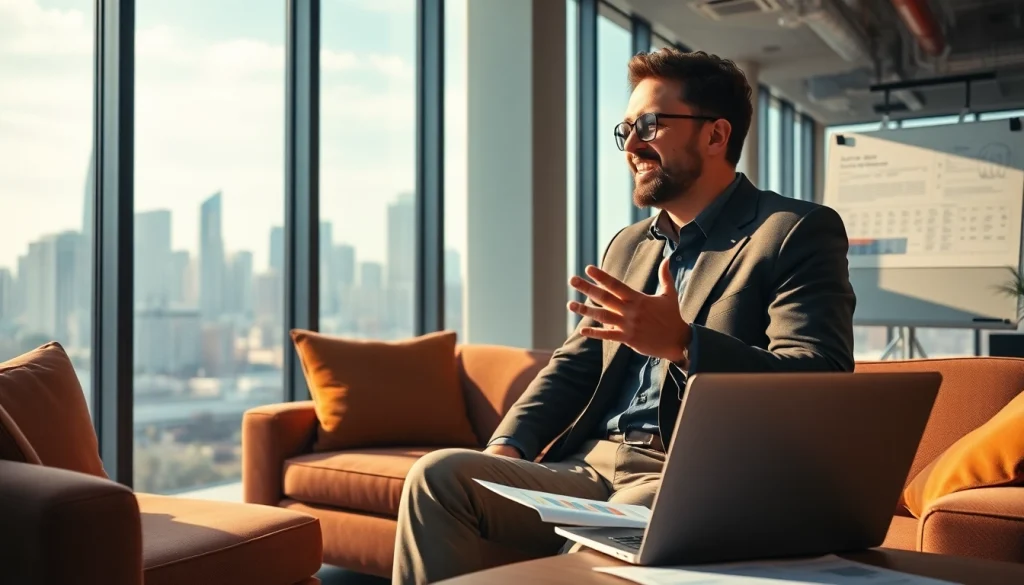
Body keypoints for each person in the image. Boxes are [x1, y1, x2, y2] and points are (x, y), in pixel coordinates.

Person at [391, 48, 855, 585]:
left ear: (715, 135)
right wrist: (509, 449)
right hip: (588, 465)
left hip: (686, 476)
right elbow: (576, 363)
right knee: (438, 477)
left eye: (651, 125)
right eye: (627, 128)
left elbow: (820, 375)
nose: (632, 145)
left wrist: (685, 344)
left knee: (590, 558)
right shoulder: (630, 245)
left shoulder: (793, 231)